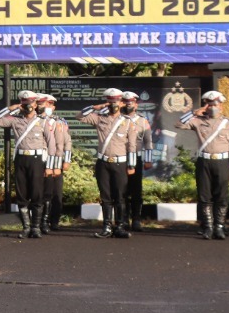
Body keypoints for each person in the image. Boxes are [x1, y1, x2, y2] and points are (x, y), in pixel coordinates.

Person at [0, 90, 57, 239]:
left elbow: (51, 144)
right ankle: (26, 227)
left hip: (37, 160)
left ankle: (36, 227)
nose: (29, 106)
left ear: (35, 104)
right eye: (25, 103)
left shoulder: (43, 121)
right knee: (21, 195)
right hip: (21, 160)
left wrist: (49, 166)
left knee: (37, 194)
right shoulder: (15, 120)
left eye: (31, 103)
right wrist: (11, 108)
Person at [176, 91, 229, 240]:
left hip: (222, 162)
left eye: (215, 104)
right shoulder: (198, 121)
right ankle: (208, 227)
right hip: (204, 161)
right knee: (204, 196)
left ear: (221, 106)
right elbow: (179, 124)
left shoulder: (228, 123)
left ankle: (219, 227)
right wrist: (194, 112)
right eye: (210, 105)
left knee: (222, 196)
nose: (213, 107)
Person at [79, 89, 138, 239]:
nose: (113, 104)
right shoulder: (99, 118)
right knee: (105, 196)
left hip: (120, 163)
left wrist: (131, 165)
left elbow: (132, 145)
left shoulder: (128, 122)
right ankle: (106, 226)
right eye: (110, 101)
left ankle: (120, 226)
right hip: (103, 163)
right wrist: (97, 107)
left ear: (121, 102)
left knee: (120, 196)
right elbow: (79, 116)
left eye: (116, 101)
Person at [121, 92, 154, 231]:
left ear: (136, 104)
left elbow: (148, 141)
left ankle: (136, 220)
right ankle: (123, 219)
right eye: (126, 102)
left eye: (131, 102)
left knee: (136, 190)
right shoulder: (117, 118)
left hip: (137, 158)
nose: (129, 104)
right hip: (121, 158)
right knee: (122, 190)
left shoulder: (143, 120)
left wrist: (148, 159)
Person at [38, 94, 69, 234]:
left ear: (53, 107)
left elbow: (63, 144)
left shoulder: (58, 122)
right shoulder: (33, 121)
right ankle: (38, 221)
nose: (45, 107)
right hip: (37, 160)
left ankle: (53, 221)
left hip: (53, 162)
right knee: (39, 193)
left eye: (48, 105)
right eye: (42, 104)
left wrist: (61, 163)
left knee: (55, 194)